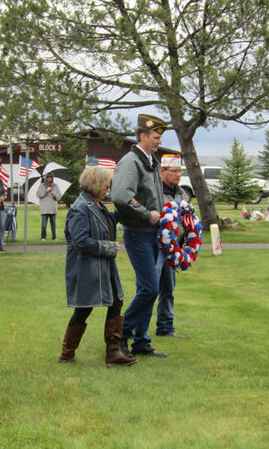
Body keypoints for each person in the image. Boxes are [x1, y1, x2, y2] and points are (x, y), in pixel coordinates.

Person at [59, 166, 137, 367]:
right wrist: (108, 247)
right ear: (94, 184)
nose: (107, 189)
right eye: (105, 185)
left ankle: (113, 352)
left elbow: (108, 220)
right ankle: (67, 355)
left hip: (103, 267)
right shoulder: (80, 208)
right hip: (87, 269)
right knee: (84, 309)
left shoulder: (97, 204)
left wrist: (127, 207)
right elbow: (80, 240)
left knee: (116, 302)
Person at [111, 114, 168, 358]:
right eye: (155, 138)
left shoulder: (150, 161)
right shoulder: (131, 162)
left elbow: (155, 196)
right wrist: (147, 215)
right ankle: (120, 335)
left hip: (151, 233)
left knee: (147, 288)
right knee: (150, 289)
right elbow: (122, 196)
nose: (158, 142)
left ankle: (141, 341)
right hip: (138, 233)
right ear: (142, 136)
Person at [156, 154, 189, 339]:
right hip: (156, 245)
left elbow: (187, 220)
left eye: (180, 171)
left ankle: (166, 327)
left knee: (168, 289)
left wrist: (184, 242)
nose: (178, 175)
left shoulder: (181, 193)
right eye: (174, 171)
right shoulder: (156, 191)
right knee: (149, 288)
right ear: (163, 171)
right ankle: (136, 328)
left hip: (174, 247)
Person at [37, 173, 61, 241]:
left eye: (51, 176)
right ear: (45, 178)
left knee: (53, 224)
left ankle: (54, 237)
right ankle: (43, 237)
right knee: (44, 225)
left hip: (53, 208)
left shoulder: (56, 186)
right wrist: (46, 191)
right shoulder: (42, 186)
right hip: (44, 208)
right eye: (48, 176)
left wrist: (54, 194)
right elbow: (38, 195)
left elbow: (59, 197)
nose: (49, 178)